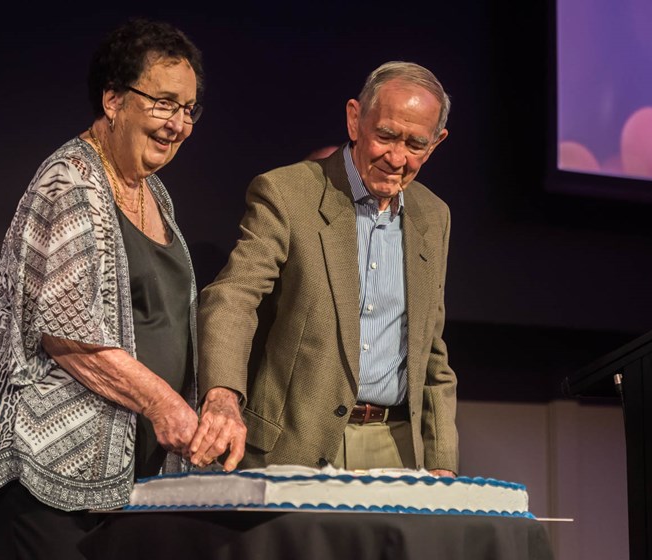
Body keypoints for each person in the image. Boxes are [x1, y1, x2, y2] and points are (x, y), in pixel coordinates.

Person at [0, 18, 205, 558]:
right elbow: (68, 338)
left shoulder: (155, 192)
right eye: (162, 103)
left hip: (121, 487)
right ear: (113, 100)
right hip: (44, 481)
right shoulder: (71, 183)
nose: (177, 123)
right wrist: (167, 406)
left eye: (188, 109)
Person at [190, 61, 458, 477]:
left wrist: (442, 462)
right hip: (295, 444)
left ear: (436, 143)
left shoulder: (434, 216)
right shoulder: (286, 193)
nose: (397, 157)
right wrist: (223, 395)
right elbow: (232, 298)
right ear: (355, 119)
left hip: (397, 450)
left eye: (415, 144)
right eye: (385, 135)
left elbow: (432, 350)